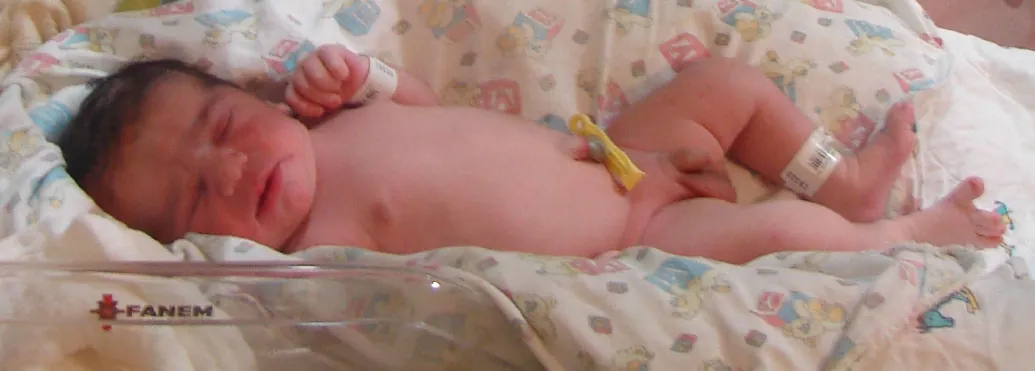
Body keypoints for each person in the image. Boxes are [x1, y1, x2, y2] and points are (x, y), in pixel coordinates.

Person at [56, 44, 1006, 264]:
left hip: (614, 152)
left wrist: (355, 79)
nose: (226, 171)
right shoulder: (310, 252)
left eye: (221, 132)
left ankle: (850, 183)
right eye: (190, 201)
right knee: (778, 232)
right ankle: (906, 233)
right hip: (643, 226)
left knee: (722, 84)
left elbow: (425, 102)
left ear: (254, 98)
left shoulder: (327, 121)